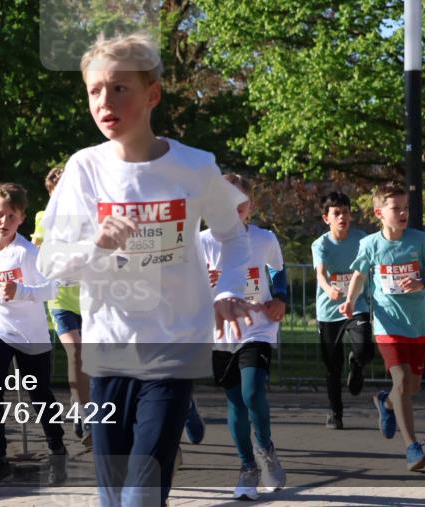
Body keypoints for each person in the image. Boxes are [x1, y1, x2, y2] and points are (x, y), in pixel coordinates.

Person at [37, 32, 255, 507]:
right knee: (114, 498)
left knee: (140, 495)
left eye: (119, 88)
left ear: (152, 94)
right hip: (109, 349)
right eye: (94, 90)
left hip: (172, 349)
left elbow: (233, 237)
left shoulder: (196, 167)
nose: (104, 101)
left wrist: (227, 291)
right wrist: (95, 242)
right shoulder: (83, 169)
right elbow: (51, 263)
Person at [0, 182, 67, 485]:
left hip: (31, 336)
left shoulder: (27, 253)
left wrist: (20, 290)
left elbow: (51, 288)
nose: (4, 222)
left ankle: (56, 451)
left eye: (11, 216)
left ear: (21, 218)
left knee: (40, 397)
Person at [340, 182, 425, 471]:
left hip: (418, 324)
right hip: (387, 325)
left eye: (405, 207)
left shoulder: (420, 241)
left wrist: (422, 281)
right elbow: (360, 275)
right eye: (395, 208)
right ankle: (412, 448)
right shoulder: (370, 244)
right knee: (402, 381)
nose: (402, 213)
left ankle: (385, 403)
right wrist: (350, 300)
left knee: (411, 387)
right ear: (379, 213)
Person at [203, 174, 288, 500]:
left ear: (250, 206)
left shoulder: (264, 239)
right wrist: (202, 278)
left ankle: (265, 448)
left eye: (240, 202)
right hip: (220, 331)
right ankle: (246, 466)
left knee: (253, 392)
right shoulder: (203, 242)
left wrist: (279, 297)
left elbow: (277, 269)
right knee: (236, 400)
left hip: (258, 326)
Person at [33, 166, 92, 446]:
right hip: (61, 300)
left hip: (91, 299)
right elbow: (37, 253)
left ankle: (81, 399)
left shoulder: (90, 216)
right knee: (76, 354)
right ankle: (84, 412)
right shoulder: (43, 218)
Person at [311, 191, 373, 429]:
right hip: (329, 309)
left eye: (345, 212)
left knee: (365, 348)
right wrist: (328, 289)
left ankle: (356, 365)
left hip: (357, 304)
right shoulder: (321, 244)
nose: (342, 217)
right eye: (336, 213)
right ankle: (335, 413)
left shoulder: (361, 238)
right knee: (332, 366)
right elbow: (320, 273)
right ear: (326, 218)